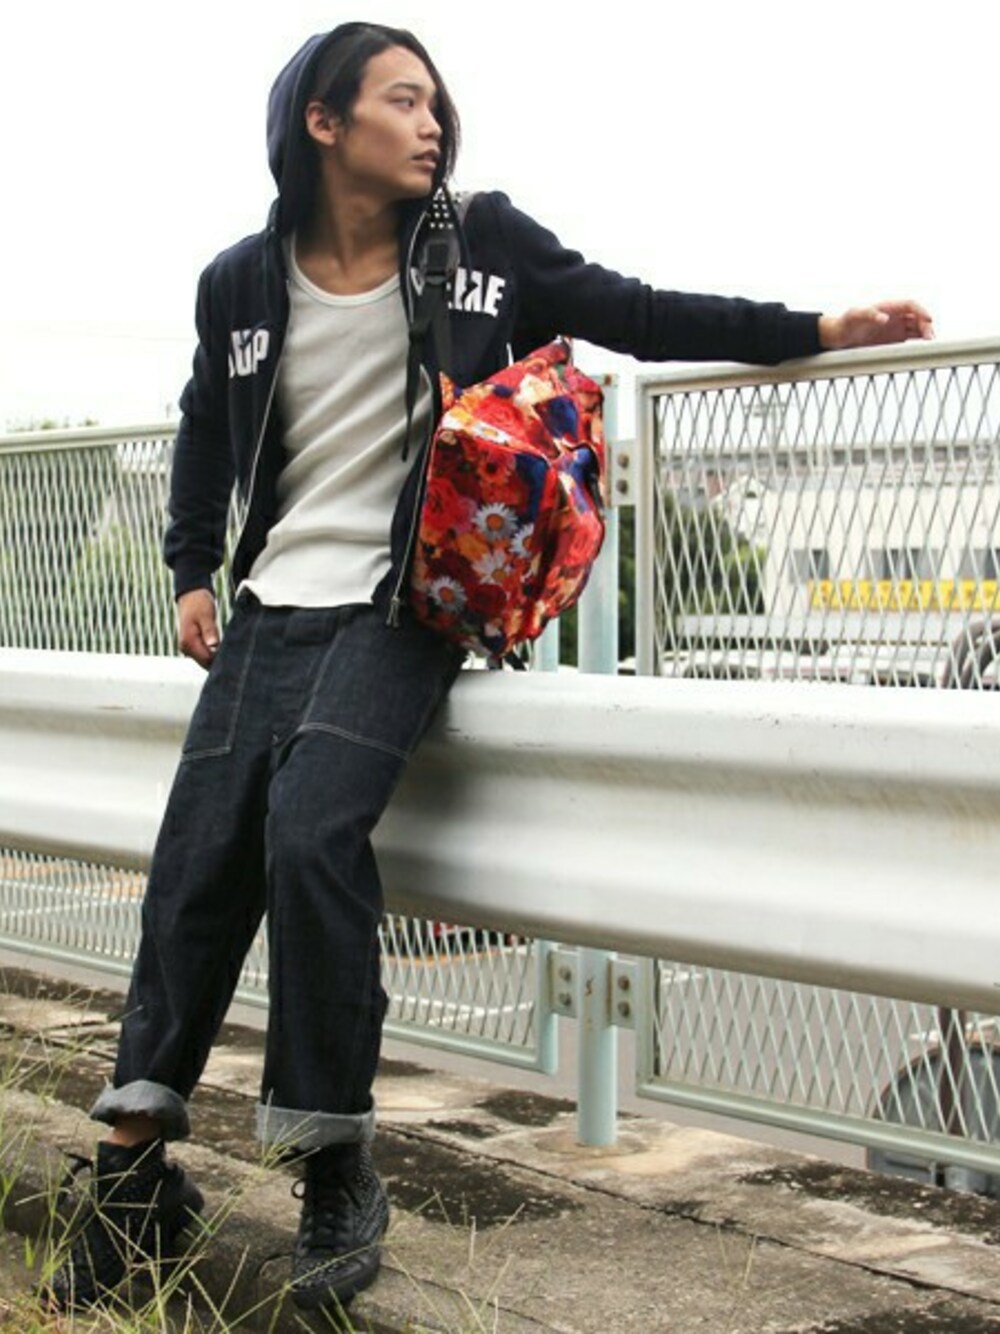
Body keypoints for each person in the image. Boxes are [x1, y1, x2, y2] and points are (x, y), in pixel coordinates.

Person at [46, 19, 934, 1318]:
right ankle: (132, 1177)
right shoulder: (239, 279)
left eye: (436, 103)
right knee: (194, 868)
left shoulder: (485, 245)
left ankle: (335, 1161)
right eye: (402, 101)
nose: (432, 123)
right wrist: (191, 567)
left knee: (309, 834)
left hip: (407, 604)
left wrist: (820, 327)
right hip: (272, 600)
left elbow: (639, 312)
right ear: (323, 124)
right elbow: (201, 425)